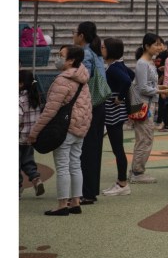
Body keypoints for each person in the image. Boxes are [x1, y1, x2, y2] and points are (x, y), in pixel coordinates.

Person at [28, 45, 92, 216]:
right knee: (75, 165)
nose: (57, 57)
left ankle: (62, 204)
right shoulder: (83, 77)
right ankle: (76, 202)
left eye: (61, 55)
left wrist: (34, 132)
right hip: (80, 127)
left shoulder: (63, 80)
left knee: (63, 167)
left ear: (71, 60)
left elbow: (50, 110)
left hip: (64, 128)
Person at [131, 33, 168, 184]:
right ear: (147, 46)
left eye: (160, 44)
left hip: (148, 104)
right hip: (143, 105)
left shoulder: (149, 62)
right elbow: (143, 88)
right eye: (156, 44)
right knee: (144, 139)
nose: (159, 47)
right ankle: (137, 172)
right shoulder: (142, 63)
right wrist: (162, 91)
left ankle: (137, 170)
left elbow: (150, 85)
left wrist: (164, 88)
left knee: (145, 138)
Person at [74, 21, 106, 204]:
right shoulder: (96, 53)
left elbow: (83, 78)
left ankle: (86, 192)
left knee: (86, 149)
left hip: (89, 104)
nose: (73, 35)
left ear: (82, 35)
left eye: (75, 32)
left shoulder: (86, 54)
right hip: (99, 103)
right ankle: (90, 189)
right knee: (94, 148)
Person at [99, 38, 135, 197]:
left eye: (103, 47)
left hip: (113, 111)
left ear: (110, 50)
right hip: (117, 111)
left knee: (117, 148)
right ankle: (121, 182)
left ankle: (122, 183)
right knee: (118, 148)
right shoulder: (118, 65)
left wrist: (119, 96)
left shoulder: (113, 68)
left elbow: (127, 80)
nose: (101, 49)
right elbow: (131, 74)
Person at [19, 71, 45, 197]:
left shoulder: (19, 100)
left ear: (21, 84)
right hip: (31, 137)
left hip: (19, 136)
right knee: (28, 160)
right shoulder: (35, 99)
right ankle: (36, 178)